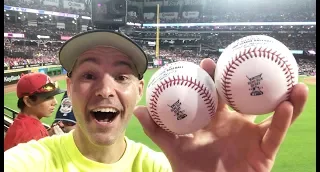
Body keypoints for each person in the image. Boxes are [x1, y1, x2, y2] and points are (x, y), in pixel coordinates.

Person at [4, 30, 309, 172]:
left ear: (140, 90)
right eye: (88, 75)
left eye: (122, 77)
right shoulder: (31, 162)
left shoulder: (157, 167)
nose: (105, 89)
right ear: (69, 89)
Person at [4, 72, 65, 151]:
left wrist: (47, 134)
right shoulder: (32, 135)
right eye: (48, 98)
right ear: (28, 101)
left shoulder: (23, 124)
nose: (55, 102)